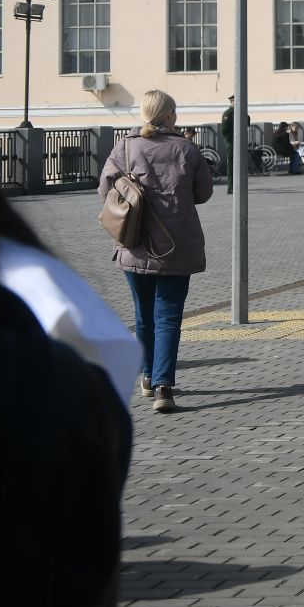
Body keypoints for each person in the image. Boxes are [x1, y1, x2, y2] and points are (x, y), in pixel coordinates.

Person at [0, 186, 135, 607]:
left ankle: (162, 376)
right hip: (169, 245)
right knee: (163, 314)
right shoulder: (48, 303)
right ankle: (163, 377)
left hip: (133, 245)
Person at [98, 89, 215, 414]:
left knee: (143, 315)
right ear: (168, 116)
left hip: (135, 243)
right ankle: (165, 386)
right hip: (177, 246)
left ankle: (148, 377)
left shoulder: (125, 147)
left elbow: (105, 188)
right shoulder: (187, 149)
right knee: (168, 318)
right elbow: (204, 192)